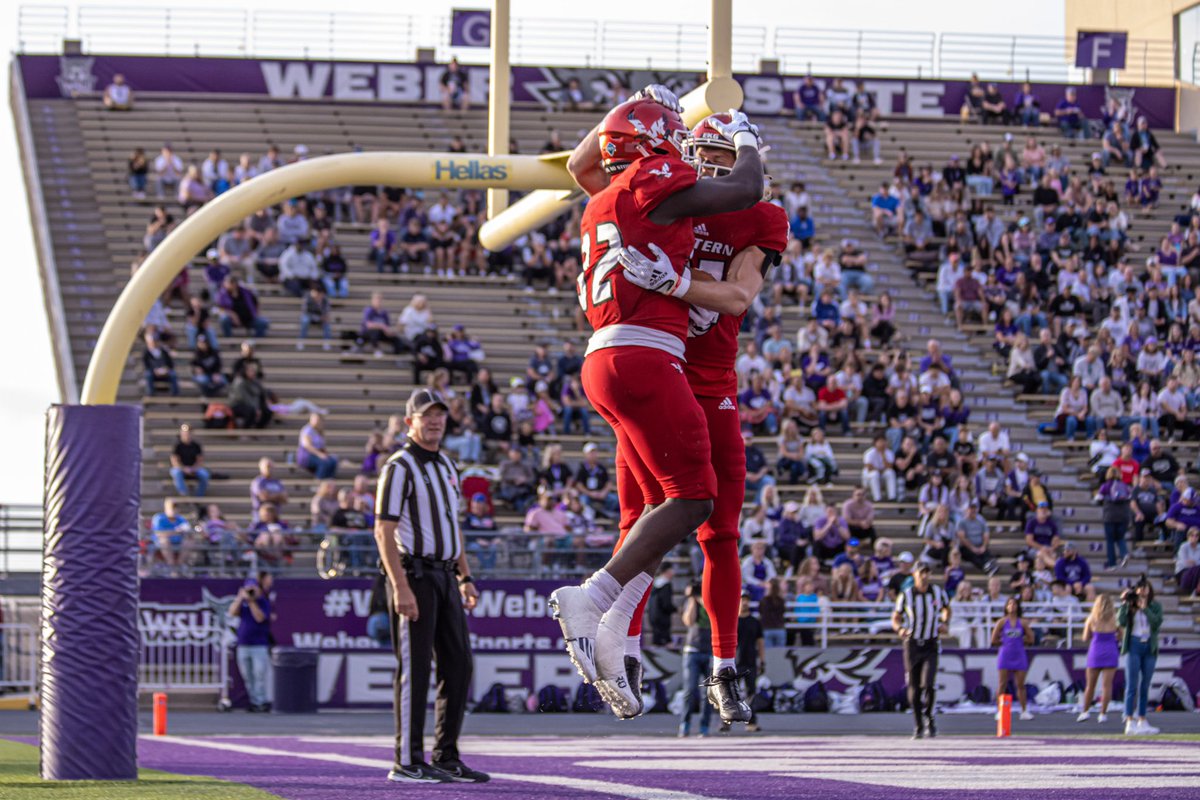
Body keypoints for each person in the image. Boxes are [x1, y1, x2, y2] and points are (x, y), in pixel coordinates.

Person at [553, 88, 768, 719]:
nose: (685, 146)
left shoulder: (604, 201)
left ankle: (614, 636)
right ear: (654, 146)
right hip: (648, 357)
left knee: (668, 510)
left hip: (610, 356)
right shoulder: (655, 179)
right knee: (693, 499)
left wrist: (628, 104)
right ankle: (593, 599)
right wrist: (748, 138)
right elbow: (747, 188)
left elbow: (583, 163)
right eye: (673, 134)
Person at [373, 389, 488, 783]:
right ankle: (405, 760)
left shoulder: (446, 466)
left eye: (439, 415)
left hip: (444, 575)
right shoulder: (399, 466)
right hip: (415, 574)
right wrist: (400, 586)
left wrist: (465, 575)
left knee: (459, 665)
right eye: (427, 416)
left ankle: (445, 755)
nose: (435, 421)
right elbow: (383, 531)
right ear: (410, 422)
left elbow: (451, 526)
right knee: (415, 669)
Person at [893, 562, 951, 738]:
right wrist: (900, 629)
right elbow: (896, 617)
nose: (924, 576)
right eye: (921, 573)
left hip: (931, 643)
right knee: (914, 686)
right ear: (914, 575)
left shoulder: (937, 592)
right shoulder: (906, 595)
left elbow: (946, 609)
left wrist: (944, 622)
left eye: (927, 573)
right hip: (912, 644)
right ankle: (918, 724)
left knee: (929, 683)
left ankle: (930, 717)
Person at [1118, 576, 1163, 736]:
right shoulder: (1131, 605)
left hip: (1149, 646)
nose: (1143, 591)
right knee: (1131, 685)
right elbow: (1121, 621)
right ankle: (1129, 719)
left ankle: (1142, 719)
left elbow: (1157, 622)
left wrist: (1145, 609)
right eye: (1140, 588)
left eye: (1146, 588)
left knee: (1145, 685)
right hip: (1134, 645)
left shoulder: (1155, 606)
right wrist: (1125, 604)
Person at [229, 571, 273, 712]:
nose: (251, 592)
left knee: (259, 674)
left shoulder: (263, 602)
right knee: (248, 676)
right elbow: (232, 612)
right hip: (243, 644)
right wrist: (240, 598)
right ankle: (254, 702)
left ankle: (261, 701)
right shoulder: (242, 603)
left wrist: (252, 601)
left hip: (259, 645)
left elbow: (260, 618)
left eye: (253, 589)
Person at [1077, 594, 1121, 724]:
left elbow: (1085, 637)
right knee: (1106, 686)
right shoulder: (1115, 619)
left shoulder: (1092, 618)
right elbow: (1121, 636)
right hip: (1111, 651)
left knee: (1090, 685)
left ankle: (1085, 712)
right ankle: (1102, 714)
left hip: (1095, 652)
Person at [678, 583, 714, 737]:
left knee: (709, 693)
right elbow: (688, 621)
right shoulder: (692, 602)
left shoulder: (711, 601)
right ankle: (685, 723)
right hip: (692, 650)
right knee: (690, 690)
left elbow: (713, 615)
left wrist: (702, 598)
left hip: (710, 651)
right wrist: (693, 599)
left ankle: (704, 726)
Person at [991, 595, 1034, 721]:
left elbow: (1031, 638)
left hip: (1019, 654)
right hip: (1005, 654)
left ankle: (1024, 710)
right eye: (1009, 604)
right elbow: (993, 639)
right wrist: (1005, 642)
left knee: (1020, 684)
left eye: (1014, 604)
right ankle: (1000, 711)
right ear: (1006, 607)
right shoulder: (1002, 622)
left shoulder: (1023, 622)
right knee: (1002, 683)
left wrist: (1020, 641)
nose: (1012, 606)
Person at [169, 423, 211, 497]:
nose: (187, 435)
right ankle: (184, 494)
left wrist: (193, 468)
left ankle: (199, 497)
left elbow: (200, 460)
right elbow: (174, 461)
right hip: (181, 468)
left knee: (205, 474)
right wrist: (184, 469)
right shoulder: (177, 445)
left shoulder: (196, 446)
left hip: (194, 468)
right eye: (185, 433)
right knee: (176, 473)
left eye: (188, 433)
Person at [297, 413, 338, 479]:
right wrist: (320, 455)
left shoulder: (319, 431)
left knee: (333, 460)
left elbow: (321, 447)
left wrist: (326, 454)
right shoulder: (307, 430)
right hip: (307, 456)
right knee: (323, 462)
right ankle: (318, 482)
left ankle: (329, 479)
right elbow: (307, 445)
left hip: (316, 454)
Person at [646, 564, 677, 646]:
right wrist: (675, 609)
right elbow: (666, 604)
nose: (673, 573)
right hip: (663, 619)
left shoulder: (655, 584)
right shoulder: (666, 585)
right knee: (666, 643)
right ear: (667, 571)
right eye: (672, 570)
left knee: (656, 641)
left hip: (653, 617)